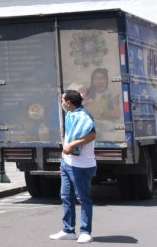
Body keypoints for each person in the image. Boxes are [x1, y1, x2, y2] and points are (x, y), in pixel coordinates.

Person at [52, 89, 96, 243]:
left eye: (63, 100)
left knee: (83, 198)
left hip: (82, 165)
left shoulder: (84, 116)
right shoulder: (72, 114)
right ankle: (68, 230)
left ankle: (85, 232)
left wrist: (72, 145)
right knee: (66, 197)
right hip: (67, 163)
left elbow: (92, 135)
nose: (62, 103)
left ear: (69, 103)